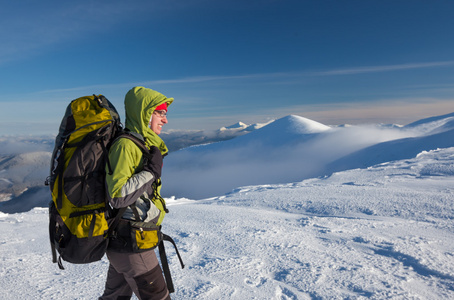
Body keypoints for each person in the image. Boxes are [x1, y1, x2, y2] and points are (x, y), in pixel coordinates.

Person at [100, 86, 174, 300]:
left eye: (165, 114)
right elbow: (118, 195)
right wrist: (151, 171)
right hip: (132, 242)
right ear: (144, 113)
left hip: (125, 243)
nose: (165, 120)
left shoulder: (141, 145)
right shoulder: (125, 146)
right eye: (160, 113)